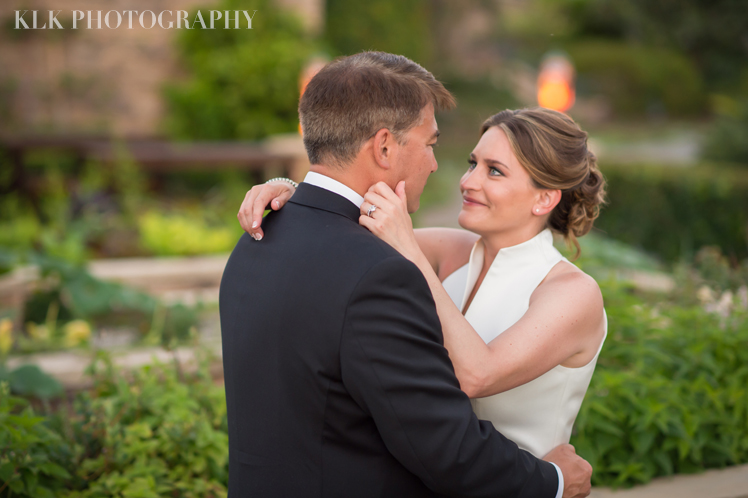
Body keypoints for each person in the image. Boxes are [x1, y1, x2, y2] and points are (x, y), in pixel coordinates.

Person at [222, 51, 592, 498]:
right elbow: (346, 232)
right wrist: (292, 190)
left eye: (494, 171)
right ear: (384, 147)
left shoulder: (260, 240)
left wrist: (300, 200)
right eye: (468, 161)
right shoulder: (426, 258)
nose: (462, 179)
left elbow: (477, 374)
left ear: (544, 198)